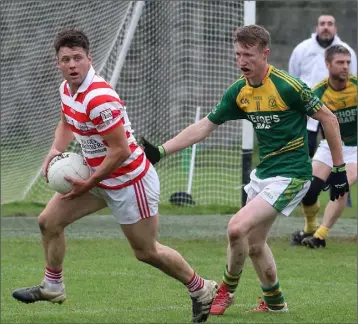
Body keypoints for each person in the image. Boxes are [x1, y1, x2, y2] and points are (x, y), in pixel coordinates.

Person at [11, 28, 218, 323]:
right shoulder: (67, 89)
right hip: (97, 176)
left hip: (130, 181)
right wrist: (54, 151)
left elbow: (120, 151)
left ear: (89, 58)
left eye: (77, 58)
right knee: (48, 221)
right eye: (65, 59)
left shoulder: (99, 98)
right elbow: (66, 121)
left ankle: (202, 288)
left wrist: (90, 183)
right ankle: (53, 286)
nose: (72, 64)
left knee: (146, 251)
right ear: (57, 62)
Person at [141, 24, 349, 315]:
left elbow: (329, 119)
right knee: (253, 243)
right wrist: (162, 151)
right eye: (238, 54)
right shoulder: (239, 91)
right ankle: (275, 303)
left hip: (293, 175)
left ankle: (224, 292)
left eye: (248, 55)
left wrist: (338, 169)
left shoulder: (288, 86)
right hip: (264, 174)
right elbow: (204, 127)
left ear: (265, 54)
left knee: (236, 227)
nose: (242, 61)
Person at [291, 45, 356, 248]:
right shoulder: (318, 92)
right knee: (308, 191)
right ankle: (310, 227)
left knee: (340, 186)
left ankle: (319, 236)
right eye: (340, 62)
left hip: (355, 148)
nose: (345, 67)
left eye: (347, 62)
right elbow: (299, 116)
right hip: (330, 146)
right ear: (327, 65)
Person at [288, 14, 357, 158]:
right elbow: (293, 77)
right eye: (322, 23)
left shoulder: (347, 51)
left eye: (330, 24)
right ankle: (307, 180)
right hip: (309, 110)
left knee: (336, 154)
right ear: (317, 27)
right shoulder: (302, 49)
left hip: (336, 111)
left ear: (335, 28)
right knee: (306, 152)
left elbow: (352, 80)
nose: (326, 27)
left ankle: (334, 179)